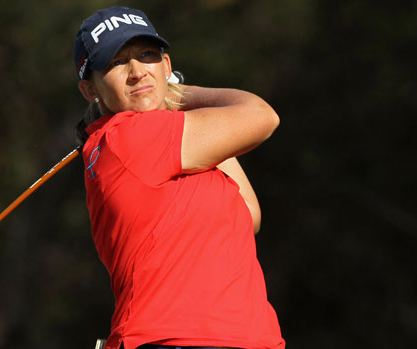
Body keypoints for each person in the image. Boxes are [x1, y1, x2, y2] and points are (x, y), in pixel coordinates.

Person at [73, 6, 284, 349]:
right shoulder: (127, 137)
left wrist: (173, 103)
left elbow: (248, 213)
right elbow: (261, 116)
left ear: (166, 65)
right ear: (89, 90)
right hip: (173, 340)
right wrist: (180, 93)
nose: (138, 72)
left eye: (147, 55)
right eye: (116, 62)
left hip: (248, 339)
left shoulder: (168, 142)